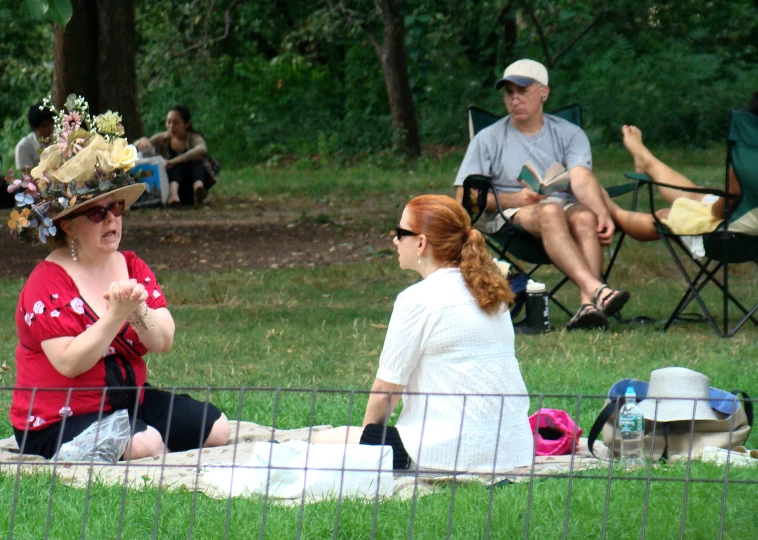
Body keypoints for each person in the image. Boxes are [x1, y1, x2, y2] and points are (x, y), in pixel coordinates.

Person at [7, 98, 230, 460]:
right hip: (56, 418)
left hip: (128, 402)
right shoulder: (45, 281)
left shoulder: (130, 264)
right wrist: (114, 315)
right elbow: (68, 362)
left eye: (117, 207)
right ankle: (132, 441)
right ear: (68, 225)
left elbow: (163, 340)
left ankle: (141, 436)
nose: (111, 220)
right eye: (96, 213)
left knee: (217, 429)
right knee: (146, 444)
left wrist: (135, 309)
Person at [311, 195, 534, 473]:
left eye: (400, 233)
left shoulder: (417, 299)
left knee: (321, 442)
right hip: (514, 447)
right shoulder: (491, 292)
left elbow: (384, 393)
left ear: (421, 242)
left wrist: (368, 450)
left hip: (448, 452)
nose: (394, 240)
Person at [454, 59, 630, 330]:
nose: (514, 99)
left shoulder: (569, 133)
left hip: (563, 204)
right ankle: (597, 289)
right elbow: (464, 199)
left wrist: (602, 212)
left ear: (544, 92)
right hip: (511, 214)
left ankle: (588, 305)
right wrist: (515, 199)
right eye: (509, 93)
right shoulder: (488, 138)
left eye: (522, 92)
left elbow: (582, 179)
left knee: (584, 217)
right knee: (550, 211)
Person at [606, 92, 758, 241]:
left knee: (663, 216)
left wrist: (711, 210)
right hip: (750, 218)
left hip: (737, 232)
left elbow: (721, 210)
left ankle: (613, 211)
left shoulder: (748, 160)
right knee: (697, 196)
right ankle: (647, 161)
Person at [134, 105, 215, 206]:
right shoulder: (163, 138)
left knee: (196, 161)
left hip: (190, 180)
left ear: (187, 124)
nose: (171, 126)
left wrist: (177, 160)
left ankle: (198, 189)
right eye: (169, 122)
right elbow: (138, 144)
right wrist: (142, 140)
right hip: (173, 183)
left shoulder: (193, 138)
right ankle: (173, 194)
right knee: (176, 165)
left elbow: (202, 149)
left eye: (176, 123)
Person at [15, 102, 55, 170]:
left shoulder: (62, 138)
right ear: (33, 128)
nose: (50, 128)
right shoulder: (24, 147)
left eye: (52, 124)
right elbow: (29, 177)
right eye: (44, 126)